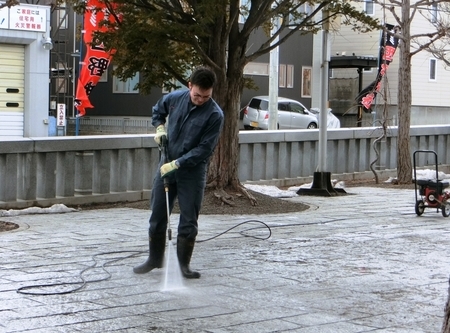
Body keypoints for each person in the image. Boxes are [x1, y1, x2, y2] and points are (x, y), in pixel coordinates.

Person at [133, 67, 224, 278]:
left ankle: (183, 265)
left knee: (189, 218)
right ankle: (155, 259)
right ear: (189, 86)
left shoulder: (215, 115)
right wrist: (159, 128)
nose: (200, 99)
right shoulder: (174, 99)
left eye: (206, 96)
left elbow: (205, 149)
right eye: (197, 95)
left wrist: (179, 163)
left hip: (191, 171)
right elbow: (158, 111)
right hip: (166, 165)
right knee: (157, 213)